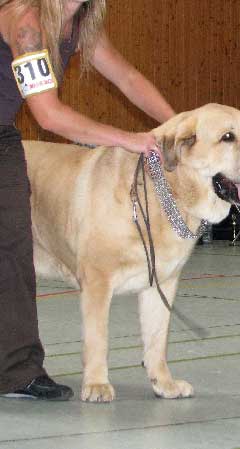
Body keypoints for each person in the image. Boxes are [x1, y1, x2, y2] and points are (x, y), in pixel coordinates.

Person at [0, 0, 175, 400]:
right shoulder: (26, 22)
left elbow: (128, 79)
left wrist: (177, 128)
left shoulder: (79, 26)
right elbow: (48, 116)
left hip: (2, 135)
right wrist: (127, 139)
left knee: (12, 247)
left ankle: (16, 372)